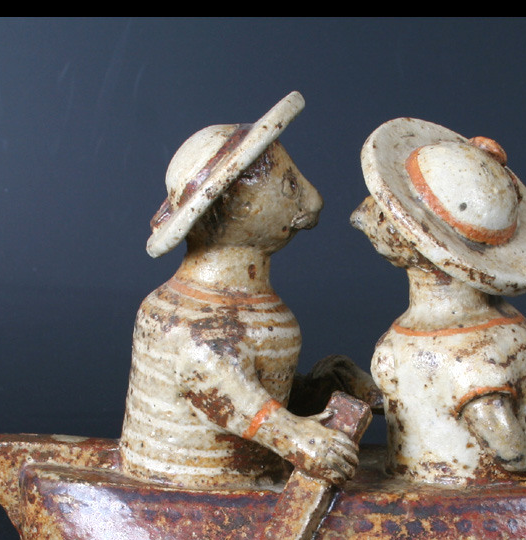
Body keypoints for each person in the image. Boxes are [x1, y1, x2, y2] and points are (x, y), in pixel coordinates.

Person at [119, 92, 358, 490]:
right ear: (236, 207)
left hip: (253, 478)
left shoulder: (244, 311)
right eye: (290, 186)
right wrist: (297, 438)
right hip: (192, 489)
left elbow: (255, 389)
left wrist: (321, 389)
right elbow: (225, 395)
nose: (313, 198)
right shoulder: (197, 323)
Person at [353, 119, 526, 485]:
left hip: (459, 495)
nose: (364, 216)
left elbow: (512, 453)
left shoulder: (466, 349)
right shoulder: (500, 333)